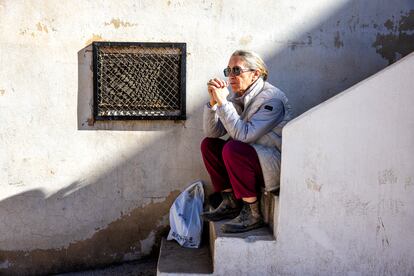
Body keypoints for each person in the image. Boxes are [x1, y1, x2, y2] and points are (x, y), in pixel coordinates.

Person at [200, 50, 292, 233]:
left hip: (271, 163)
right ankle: (230, 202)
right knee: (209, 145)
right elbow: (212, 132)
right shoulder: (237, 96)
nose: (231, 76)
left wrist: (223, 103)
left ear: (255, 73)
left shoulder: (273, 99)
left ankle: (252, 213)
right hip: (249, 158)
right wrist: (213, 103)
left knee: (233, 148)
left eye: (236, 70)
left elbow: (244, 136)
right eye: (228, 71)